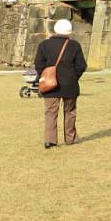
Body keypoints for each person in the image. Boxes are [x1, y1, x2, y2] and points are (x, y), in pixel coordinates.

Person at [34, 19, 87, 149]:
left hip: (50, 84)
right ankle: (70, 138)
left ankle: (50, 140)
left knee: (50, 112)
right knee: (70, 111)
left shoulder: (44, 45)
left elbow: (39, 64)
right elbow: (81, 66)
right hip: (70, 84)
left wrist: (45, 75)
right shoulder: (74, 45)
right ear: (69, 32)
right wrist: (74, 77)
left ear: (55, 30)